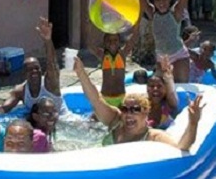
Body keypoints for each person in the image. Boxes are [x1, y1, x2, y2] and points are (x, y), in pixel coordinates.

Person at [72, 56, 204, 150]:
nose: (128, 113)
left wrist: (193, 123)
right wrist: (81, 73)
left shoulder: (152, 136)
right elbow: (96, 99)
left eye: (135, 109)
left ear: (146, 113)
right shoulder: (115, 121)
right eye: (125, 109)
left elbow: (181, 147)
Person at [134, 0, 198, 82]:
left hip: (179, 55)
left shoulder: (176, 12)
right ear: (154, 0)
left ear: (170, 0)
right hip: (161, 58)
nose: (161, 2)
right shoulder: (152, 13)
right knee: (161, 89)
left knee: (181, 87)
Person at [0, 17, 68, 115]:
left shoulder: (49, 84)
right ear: (24, 74)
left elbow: (52, 64)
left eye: (36, 68)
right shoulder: (21, 91)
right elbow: (6, 107)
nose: (34, 71)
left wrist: (48, 41)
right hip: (40, 125)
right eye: (30, 69)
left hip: (64, 121)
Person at [96, 32, 135, 107]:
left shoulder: (122, 54)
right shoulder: (102, 55)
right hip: (105, 97)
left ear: (120, 42)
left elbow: (132, 40)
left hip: (120, 97)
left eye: (115, 40)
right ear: (104, 43)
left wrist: (137, 22)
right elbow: (90, 45)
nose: (112, 42)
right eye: (108, 40)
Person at [146, 55, 179, 129]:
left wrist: (168, 78)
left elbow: (171, 93)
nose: (155, 89)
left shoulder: (169, 103)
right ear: (147, 89)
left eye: (159, 86)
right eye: (151, 86)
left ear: (165, 89)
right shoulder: (143, 105)